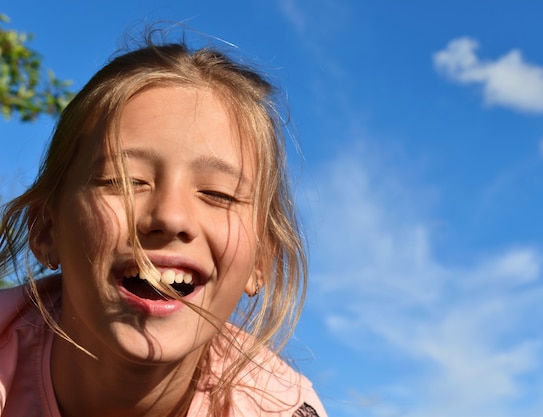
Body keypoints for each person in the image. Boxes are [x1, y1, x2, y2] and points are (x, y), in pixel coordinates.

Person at [0, 36, 327, 417]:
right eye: (123, 180)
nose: (171, 217)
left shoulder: (279, 407)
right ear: (46, 229)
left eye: (218, 194)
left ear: (260, 262)